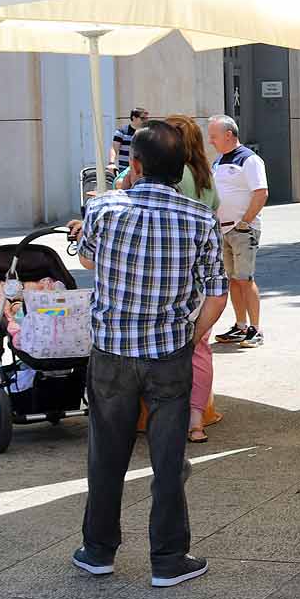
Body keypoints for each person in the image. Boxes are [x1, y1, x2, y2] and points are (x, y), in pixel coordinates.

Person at [72, 121, 227, 587]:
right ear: (181, 168)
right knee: (168, 458)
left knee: (106, 454)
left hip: (112, 352)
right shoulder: (200, 218)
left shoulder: (103, 208)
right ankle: (167, 558)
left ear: (134, 165)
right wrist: (191, 336)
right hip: (169, 354)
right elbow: (217, 294)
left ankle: (98, 551)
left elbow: (86, 259)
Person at [112, 115, 223, 443]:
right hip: (197, 280)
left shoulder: (166, 181)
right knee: (200, 351)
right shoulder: (204, 175)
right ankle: (196, 420)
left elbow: (124, 185)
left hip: (161, 279)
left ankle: (145, 419)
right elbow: (214, 215)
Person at [207, 115, 269, 349]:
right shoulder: (218, 161)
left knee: (245, 279)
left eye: (214, 136)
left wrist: (245, 221)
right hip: (223, 230)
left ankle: (255, 328)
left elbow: (261, 192)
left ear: (228, 135)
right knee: (233, 280)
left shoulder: (250, 160)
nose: (211, 141)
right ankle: (240, 325)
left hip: (242, 230)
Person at [110, 107, 147, 173]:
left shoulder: (146, 132)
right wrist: (111, 163)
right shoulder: (122, 131)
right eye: (143, 118)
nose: (145, 121)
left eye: (146, 118)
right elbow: (114, 148)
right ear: (134, 118)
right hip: (125, 169)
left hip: (142, 169)